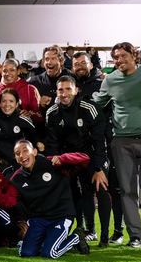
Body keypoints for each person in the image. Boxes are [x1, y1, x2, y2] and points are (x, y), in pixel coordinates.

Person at [92, 41, 141, 249]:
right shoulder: (110, 80)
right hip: (121, 140)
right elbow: (97, 105)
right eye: (115, 57)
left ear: (134, 56)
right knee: (126, 190)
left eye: (123, 56)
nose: (119, 60)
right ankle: (135, 235)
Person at [44, 75, 111, 245]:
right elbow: (52, 143)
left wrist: (98, 168)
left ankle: (104, 236)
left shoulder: (89, 108)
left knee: (101, 190)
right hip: (68, 160)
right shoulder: (51, 113)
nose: (64, 93)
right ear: (56, 92)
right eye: (61, 90)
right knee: (75, 194)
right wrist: (55, 164)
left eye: (68, 89)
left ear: (76, 90)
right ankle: (83, 230)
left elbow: (99, 140)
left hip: (91, 156)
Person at [10, 139, 91, 258]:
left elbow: (85, 158)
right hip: (38, 220)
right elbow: (6, 201)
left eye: (25, 151)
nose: (22, 155)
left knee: (50, 253)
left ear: (35, 152)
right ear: (15, 158)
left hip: (61, 217)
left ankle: (76, 237)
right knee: (25, 253)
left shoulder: (52, 163)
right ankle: (47, 240)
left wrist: (63, 158)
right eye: (17, 153)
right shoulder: (17, 178)